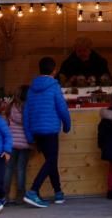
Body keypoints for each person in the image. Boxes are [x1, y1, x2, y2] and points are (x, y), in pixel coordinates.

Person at [22, 56, 72, 208]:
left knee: (51, 161)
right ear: (54, 70)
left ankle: (58, 193)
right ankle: (33, 191)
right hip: (50, 130)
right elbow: (62, 108)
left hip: (37, 130)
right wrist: (67, 124)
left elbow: (26, 113)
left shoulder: (31, 88)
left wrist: (29, 135)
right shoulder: (54, 86)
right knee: (51, 161)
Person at [3, 85, 32, 205]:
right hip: (25, 144)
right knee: (21, 169)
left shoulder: (11, 107)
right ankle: (20, 195)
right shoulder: (29, 109)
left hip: (11, 143)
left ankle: (4, 195)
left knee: (8, 169)